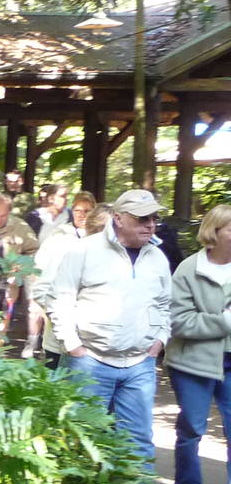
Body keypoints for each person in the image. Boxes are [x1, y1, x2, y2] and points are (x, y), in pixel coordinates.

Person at [48, 189, 172, 467]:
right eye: (142, 218)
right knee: (81, 439)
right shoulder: (84, 250)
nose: (150, 224)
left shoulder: (157, 257)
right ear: (118, 218)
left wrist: (160, 340)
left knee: (138, 442)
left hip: (140, 363)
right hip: (91, 361)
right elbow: (61, 298)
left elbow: (166, 303)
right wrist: (72, 345)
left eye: (153, 217)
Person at [162, 203, 231, 484]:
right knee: (192, 427)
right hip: (192, 361)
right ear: (214, 232)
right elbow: (180, 322)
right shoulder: (190, 268)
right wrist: (224, 321)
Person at [31, 202, 109, 367]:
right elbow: (40, 290)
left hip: (100, 351)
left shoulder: (119, 260)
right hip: (61, 347)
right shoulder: (69, 251)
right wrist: (65, 315)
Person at [23, 192, 96, 358]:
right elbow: (40, 273)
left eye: (87, 210)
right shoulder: (59, 237)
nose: (82, 215)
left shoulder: (102, 239)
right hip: (58, 326)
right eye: (78, 210)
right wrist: (55, 312)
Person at [0, 192, 39, 347]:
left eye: (3, 215)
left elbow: (34, 251)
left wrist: (21, 269)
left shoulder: (20, 227)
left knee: (1, 327)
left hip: (8, 288)